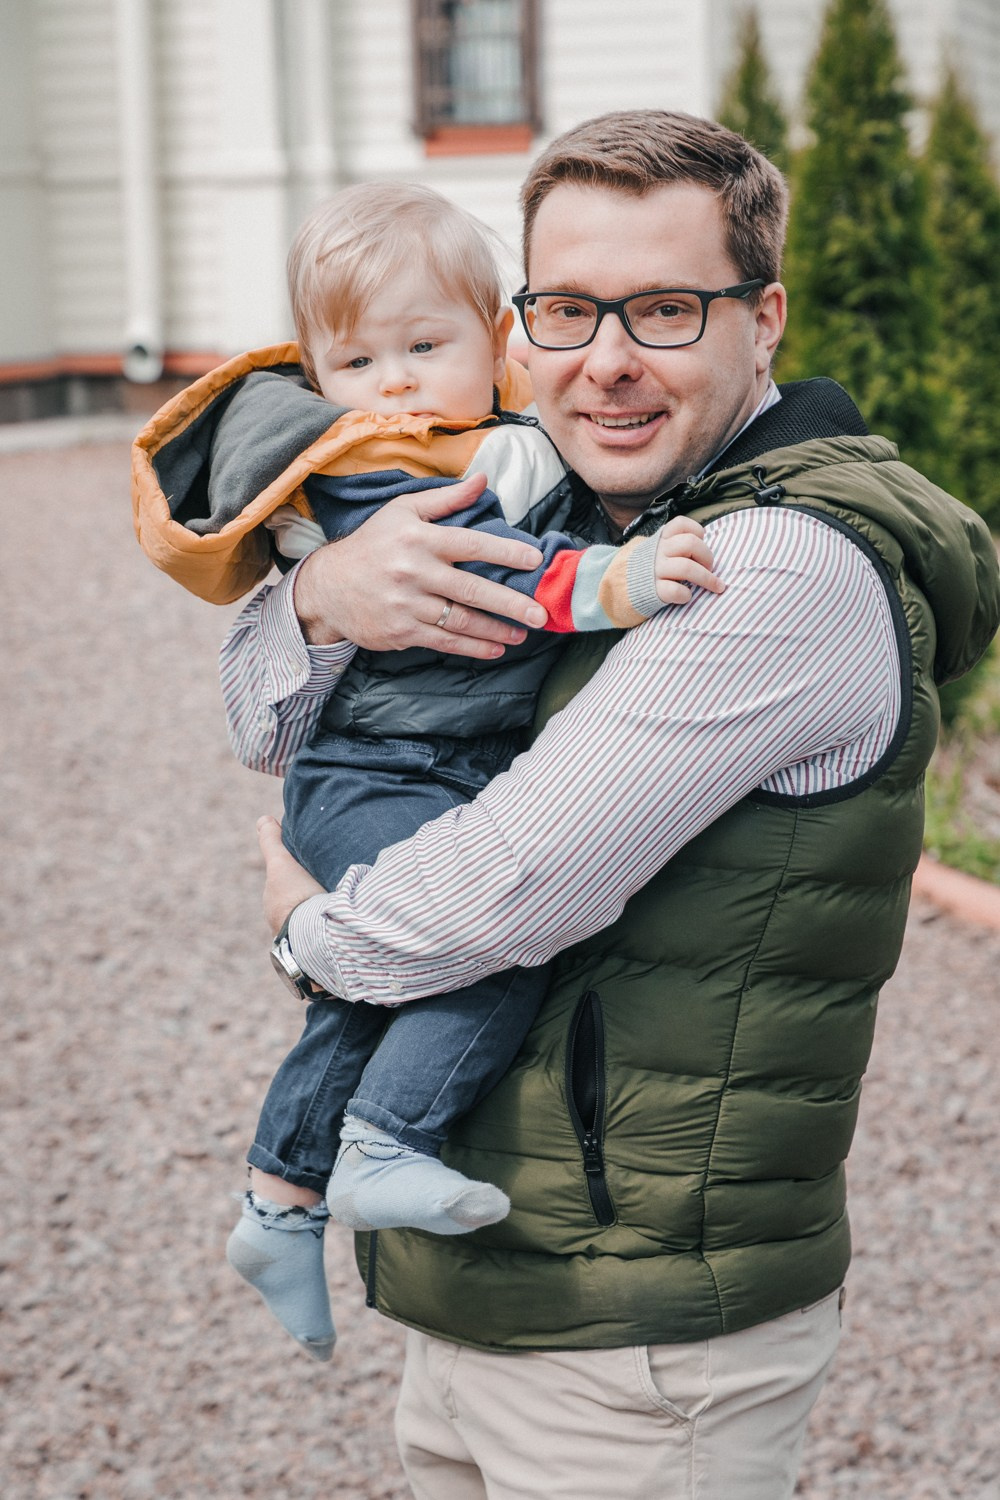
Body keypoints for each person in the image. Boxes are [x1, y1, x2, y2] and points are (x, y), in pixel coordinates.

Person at [226, 112, 998, 1497]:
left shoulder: (775, 569)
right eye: (571, 310)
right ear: (521, 326)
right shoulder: (573, 505)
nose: (609, 359)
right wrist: (318, 598)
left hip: (635, 1354)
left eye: (665, 308)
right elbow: (264, 725)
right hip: (489, 1284)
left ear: (763, 319)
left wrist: (306, 935)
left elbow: (505, 889)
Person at [132, 180, 722, 1365]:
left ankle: (277, 1203)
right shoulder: (407, 468)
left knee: (379, 979)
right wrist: (628, 580)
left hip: (410, 769)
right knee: (486, 943)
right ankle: (381, 1147)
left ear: (489, 344)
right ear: (314, 373)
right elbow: (512, 573)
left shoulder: (465, 442)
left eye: (423, 345)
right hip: (381, 774)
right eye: (356, 360)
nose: (393, 381)